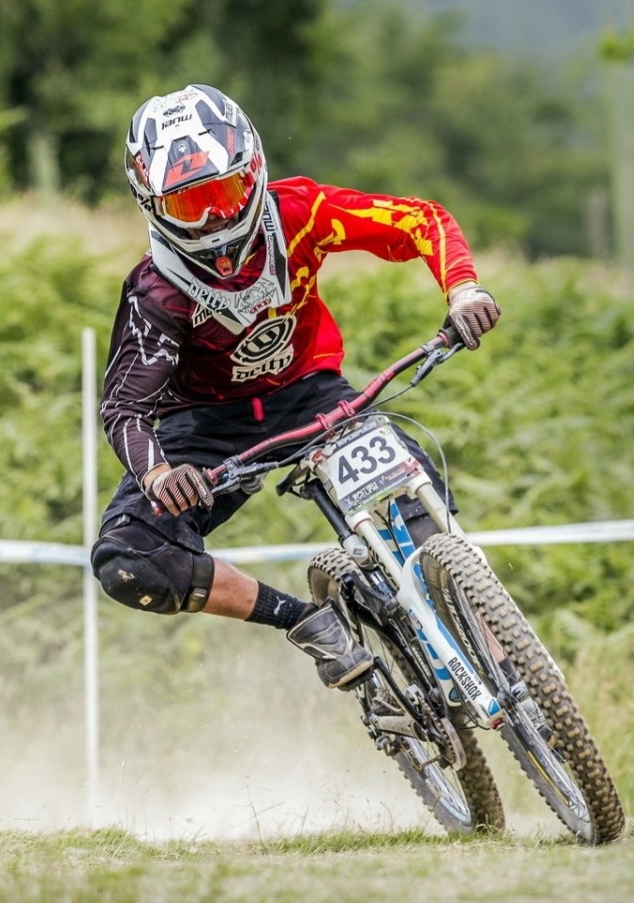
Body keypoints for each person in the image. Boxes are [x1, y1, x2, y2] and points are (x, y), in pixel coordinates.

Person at [91, 83, 501, 690]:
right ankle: (307, 621)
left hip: (312, 393)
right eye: (188, 205)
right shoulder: (156, 292)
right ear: (151, 205)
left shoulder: (300, 211)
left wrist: (463, 289)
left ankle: (503, 656)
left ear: (253, 169)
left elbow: (419, 220)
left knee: (416, 509)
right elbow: (125, 407)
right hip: (206, 429)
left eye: (224, 192)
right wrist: (157, 476)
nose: (213, 219)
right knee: (126, 562)